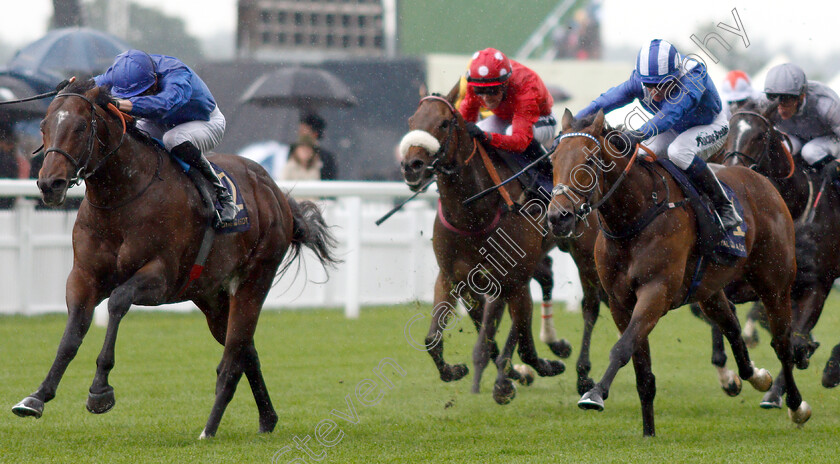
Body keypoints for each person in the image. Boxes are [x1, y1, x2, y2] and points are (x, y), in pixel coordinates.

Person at [575, 39, 741, 231]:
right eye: (649, 84)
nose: (654, 92)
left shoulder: (695, 75)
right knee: (641, 154)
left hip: (711, 125)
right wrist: (573, 125)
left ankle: (724, 207)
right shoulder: (639, 80)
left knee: (678, 152)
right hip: (674, 128)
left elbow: (671, 114)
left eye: (662, 85)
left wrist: (637, 134)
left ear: (676, 75)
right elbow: (604, 103)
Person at [93, 49, 237, 225]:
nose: (135, 98)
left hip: (205, 122)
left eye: (141, 93)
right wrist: (69, 89)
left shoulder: (177, 75)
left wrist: (120, 103)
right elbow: (95, 84)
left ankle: (222, 195)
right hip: (163, 122)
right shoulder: (126, 71)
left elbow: (165, 104)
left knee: (173, 139)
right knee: (130, 135)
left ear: (154, 80)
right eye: (132, 96)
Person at [459, 48, 557, 202]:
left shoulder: (525, 85)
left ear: (505, 84)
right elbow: (463, 124)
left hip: (542, 119)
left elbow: (520, 142)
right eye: (480, 91)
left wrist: (486, 137)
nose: (486, 98)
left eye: (492, 90)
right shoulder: (476, 80)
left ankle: (546, 185)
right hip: (507, 118)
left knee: (504, 132)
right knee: (479, 130)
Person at [763, 63, 840, 182]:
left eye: (786, 100)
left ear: (801, 97)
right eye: (775, 99)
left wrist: (838, 163)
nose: (780, 108)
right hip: (797, 136)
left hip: (830, 138)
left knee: (810, 152)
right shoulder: (765, 103)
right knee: (781, 151)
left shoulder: (826, 104)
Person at [299, 112, 338, 180]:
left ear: (315, 134)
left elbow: (329, 183)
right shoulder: (291, 152)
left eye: (303, 131)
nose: (300, 134)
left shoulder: (326, 158)